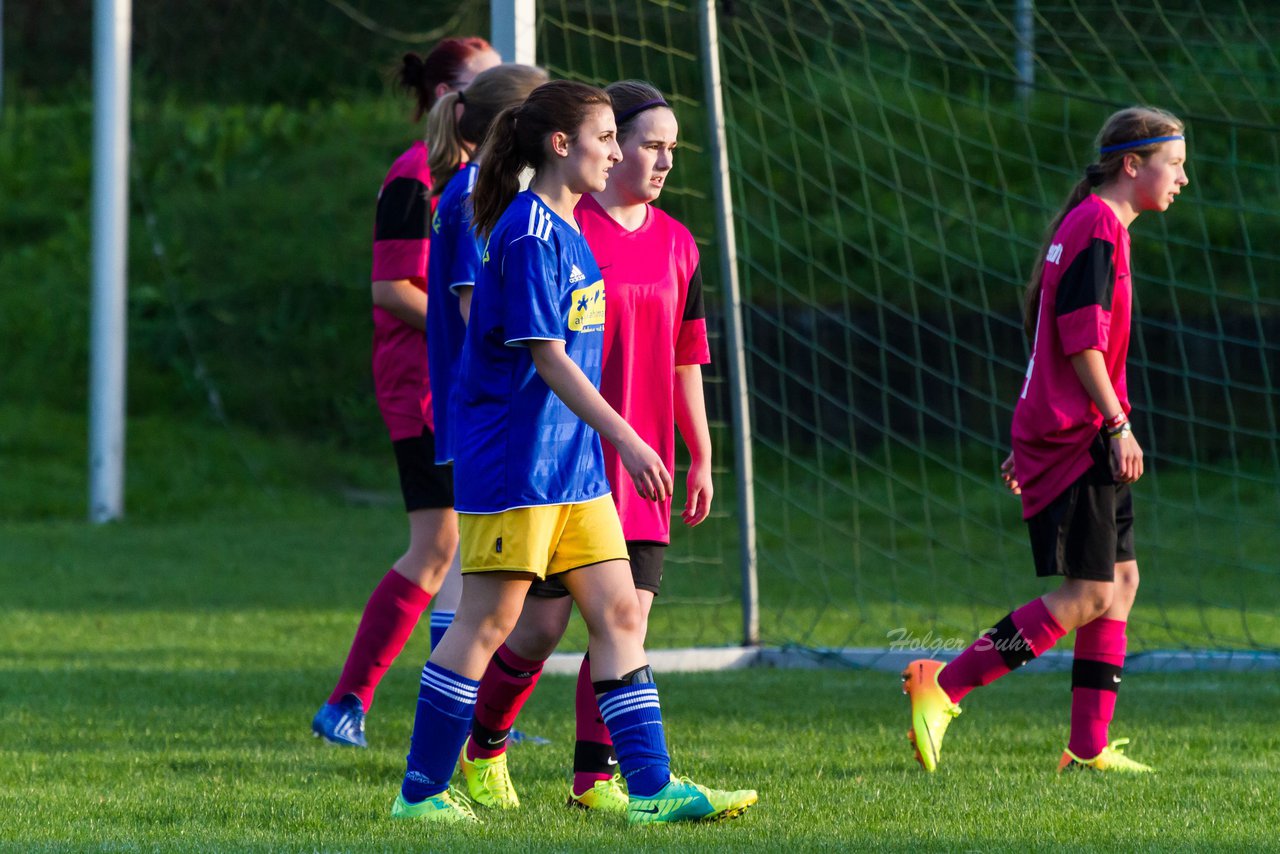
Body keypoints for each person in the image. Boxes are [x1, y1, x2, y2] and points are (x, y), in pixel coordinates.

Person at [391, 79, 756, 826]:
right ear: (563, 145)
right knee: (486, 627)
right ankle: (421, 794)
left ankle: (649, 790)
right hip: (517, 466)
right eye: (608, 139)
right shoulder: (526, 233)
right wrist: (625, 432)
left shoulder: (565, 229)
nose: (620, 153)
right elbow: (549, 358)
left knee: (620, 612)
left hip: (574, 469)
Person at [902, 106, 1189, 773]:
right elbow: (1079, 341)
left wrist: (1038, 429)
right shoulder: (1095, 227)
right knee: (1089, 592)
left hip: (1064, 427)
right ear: (1132, 164)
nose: (1181, 179)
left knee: (1121, 580)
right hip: (1081, 431)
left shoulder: (1096, 224)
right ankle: (941, 687)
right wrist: (1117, 425)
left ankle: (1087, 747)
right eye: (1173, 164)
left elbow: (1050, 343)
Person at [454, 81, 713, 815]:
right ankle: (482, 749)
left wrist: (699, 451)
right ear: (605, 144)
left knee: (623, 616)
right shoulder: (558, 225)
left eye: (672, 148)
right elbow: (527, 345)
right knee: (535, 629)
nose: (663, 160)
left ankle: (601, 780)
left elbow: (686, 355)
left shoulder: (679, 242)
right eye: (648, 144)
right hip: (560, 459)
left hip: (642, 462)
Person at [311, 37, 500, 749]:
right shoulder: (415, 175)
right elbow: (392, 289)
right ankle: (347, 702)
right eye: (491, 83)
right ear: (454, 96)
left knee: (463, 546)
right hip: (423, 384)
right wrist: (477, 330)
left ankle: (456, 716)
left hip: (459, 381)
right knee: (438, 545)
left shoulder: (479, 178)